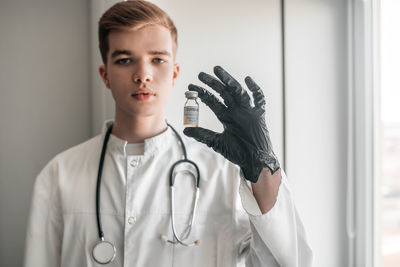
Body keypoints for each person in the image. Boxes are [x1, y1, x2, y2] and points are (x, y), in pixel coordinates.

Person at [24, 1, 313, 266]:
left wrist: (262, 168)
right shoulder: (58, 176)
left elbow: (286, 262)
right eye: (125, 60)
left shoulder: (221, 176)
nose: (143, 74)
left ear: (175, 73)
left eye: (158, 59)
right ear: (105, 75)